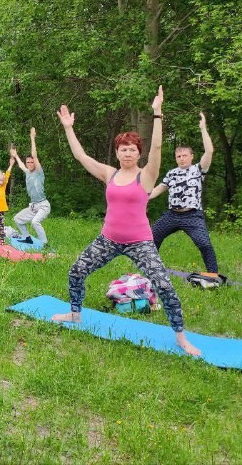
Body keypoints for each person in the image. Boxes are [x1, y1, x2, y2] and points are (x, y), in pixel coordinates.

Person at [50, 87, 200, 356]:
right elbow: (81, 157)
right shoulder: (109, 173)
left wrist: (157, 113)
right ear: (117, 152)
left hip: (140, 242)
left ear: (138, 153)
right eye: (122, 149)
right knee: (76, 271)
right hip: (107, 240)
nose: (127, 153)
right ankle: (75, 314)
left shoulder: (147, 176)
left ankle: (180, 337)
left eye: (131, 149)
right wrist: (68, 128)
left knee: (164, 285)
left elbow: (156, 147)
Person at [149, 112, 219, 275]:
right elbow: (160, 188)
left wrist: (203, 129)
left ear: (191, 156)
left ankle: (213, 275)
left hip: (192, 216)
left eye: (184, 155)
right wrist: (143, 197)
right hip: (172, 215)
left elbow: (209, 152)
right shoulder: (172, 173)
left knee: (204, 244)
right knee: (151, 238)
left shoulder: (198, 169)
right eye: (178, 156)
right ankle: (153, 269)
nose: (181, 158)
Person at [11, 127, 51, 246]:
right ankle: (27, 237)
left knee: (35, 222)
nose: (30, 164)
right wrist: (16, 155)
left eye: (32, 162)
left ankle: (44, 244)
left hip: (43, 205)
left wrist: (32, 138)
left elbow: (34, 155)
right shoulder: (28, 172)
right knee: (17, 219)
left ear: (35, 163)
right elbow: (21, 165)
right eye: (28, 162)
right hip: (33, 206)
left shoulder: (39, 172)